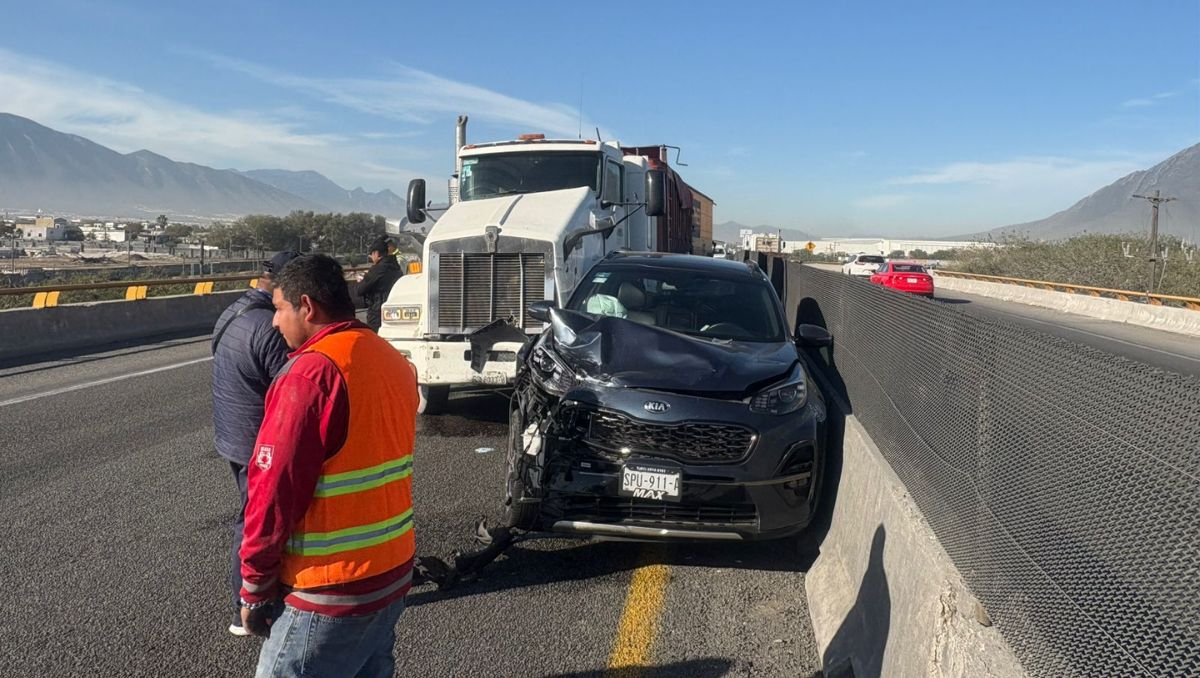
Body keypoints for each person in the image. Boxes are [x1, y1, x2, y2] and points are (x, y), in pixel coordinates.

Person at [239, 254, 419, 677]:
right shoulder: (390, 359)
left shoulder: (311, 374)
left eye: (279, 308)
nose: (274, 323)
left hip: (330, 586)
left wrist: (254, 585)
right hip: (390, 572)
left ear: (307, 306)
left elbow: (273, 491)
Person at [210, 250, 299, 637]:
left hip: (231, 435)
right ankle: (243, 608)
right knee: (254, 522)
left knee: (251, 516)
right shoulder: (269, 327)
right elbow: (293, 387)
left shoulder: (234, 311)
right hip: (256, 441)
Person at [356, 238, 403, 332]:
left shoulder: (377, 269)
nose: (371, 257)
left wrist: (362, 280)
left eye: (371, 254)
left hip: (377, 313)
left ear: (376, 253)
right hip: (394, 310)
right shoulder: (396, 266)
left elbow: (360, 289)